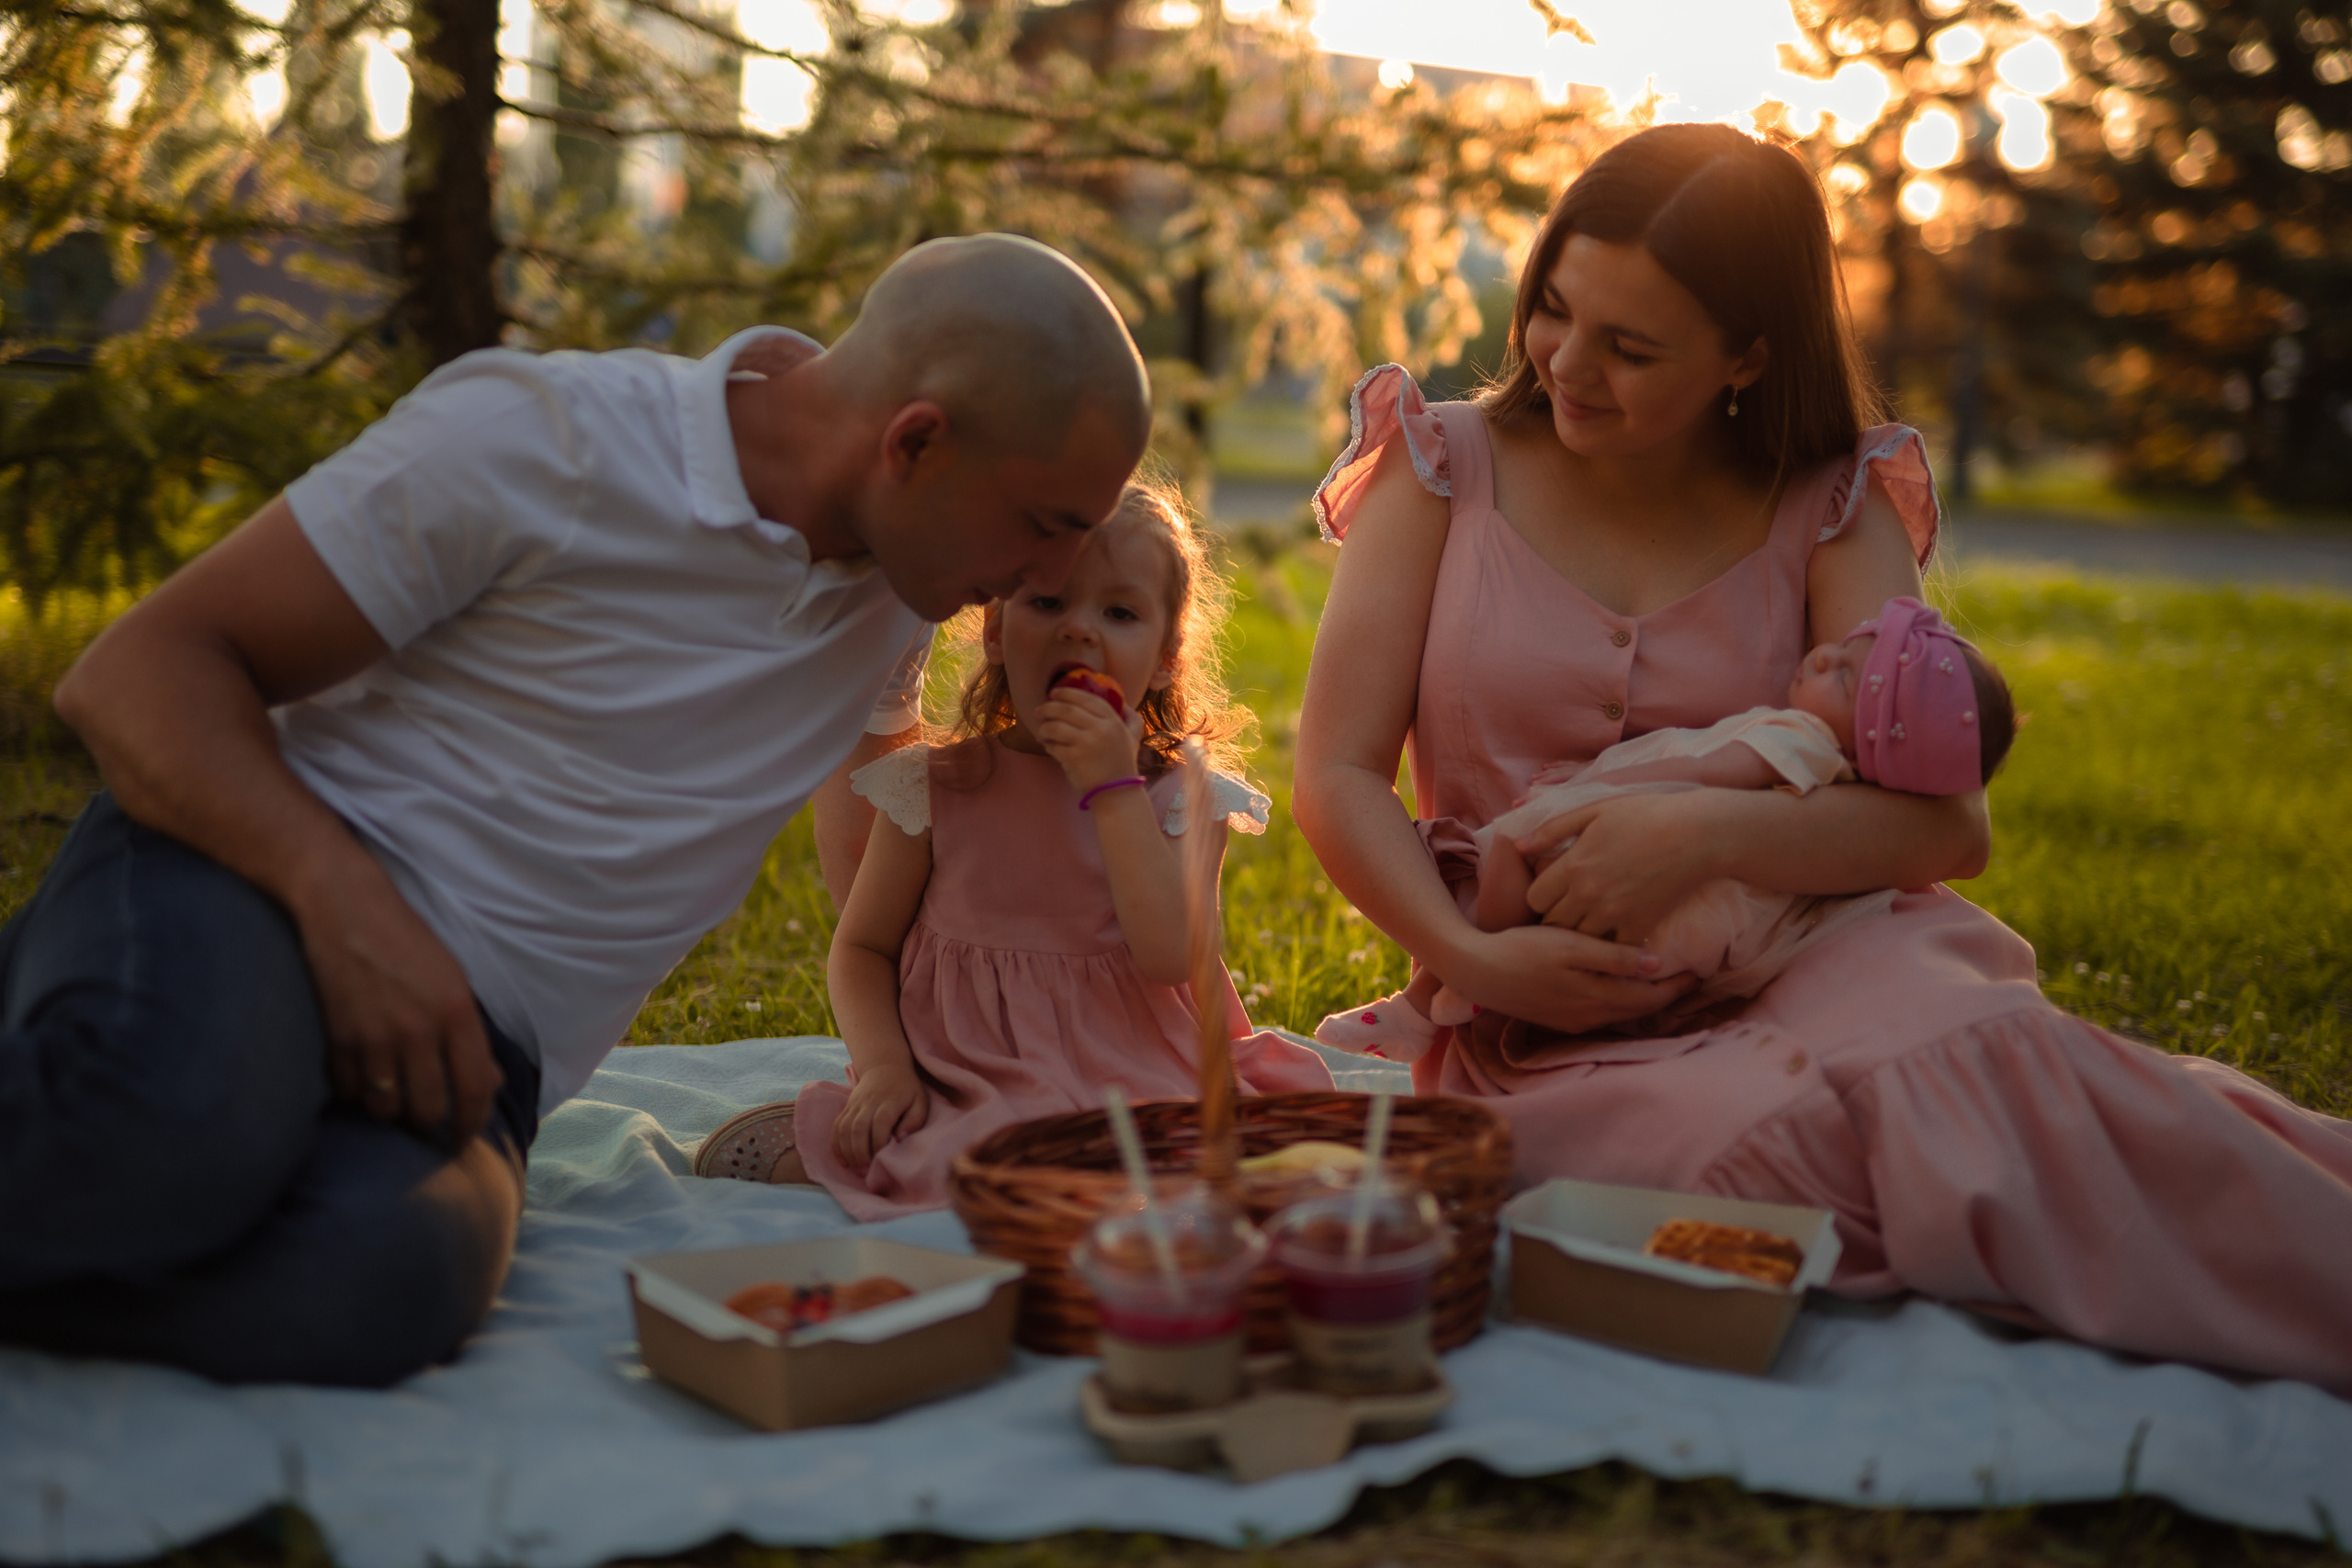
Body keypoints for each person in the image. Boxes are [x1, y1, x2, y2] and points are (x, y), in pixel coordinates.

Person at [1292, 123, 2352, 1389]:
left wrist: (1697, 833)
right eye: (1555, 309)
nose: (1568, 364)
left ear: (1748, 356)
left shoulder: (1833, 499)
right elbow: (1338, 772)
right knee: (1749, 1146)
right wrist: (1471, 956)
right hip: (1533, 1013)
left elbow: (1943, 824)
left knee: (1967, 1070)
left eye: (1631, 347)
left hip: (1825, 945)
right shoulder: (1441, 466)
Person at [0, 233, 1153, 1387]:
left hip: (479, 1051)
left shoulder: (908, 584)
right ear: (914, 443)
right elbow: (140, 671)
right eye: (1044, 524)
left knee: (380, 1279)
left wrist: (917, 1054)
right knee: (166, 1128)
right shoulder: (544, 439)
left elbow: (880, 827)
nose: (1043, 578)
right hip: (260, 880)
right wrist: (345, 913)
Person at [693, 484, 1335, 1219]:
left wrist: (1115, 791)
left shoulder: (1183, 799)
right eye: (1048, 602)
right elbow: (863, 948)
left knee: (1173, 1156)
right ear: (996, 630)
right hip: (976, 1074)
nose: (1079, 630)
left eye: (1119, 613)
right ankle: (843, 1140)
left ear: (1166, 656)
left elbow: (1171, 955)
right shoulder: (935, 789)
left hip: (1142, 1069)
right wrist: (883, 1069)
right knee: (976, 1152)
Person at [1315, 596, 2016, 1061]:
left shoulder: (1803, 742)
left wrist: (1600, 784)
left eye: (1848, 680)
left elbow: (1707, 771)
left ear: (1872, 741)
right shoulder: (1814, 753)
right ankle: (1448, 993)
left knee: (1513, 858)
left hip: (1626, 828)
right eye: (1843, 649)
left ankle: (1450, 991)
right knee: (1516, 891)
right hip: (1665, 869)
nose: (1826, 656)